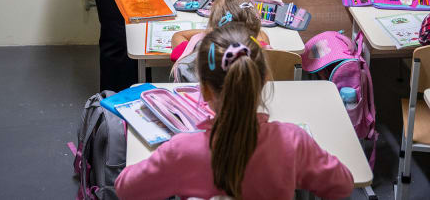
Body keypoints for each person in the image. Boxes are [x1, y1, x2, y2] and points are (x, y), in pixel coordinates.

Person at [115, 24, 354, 199]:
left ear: (205, 91)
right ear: (263, 81)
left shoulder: (180, 151)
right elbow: (342, 185)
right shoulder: (293, 141)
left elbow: (125, 189)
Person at [169, 0, 270, 82]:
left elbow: (177, 36)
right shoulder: (261, 52)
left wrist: (209, 32)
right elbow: (262, 35)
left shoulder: (196, 51)